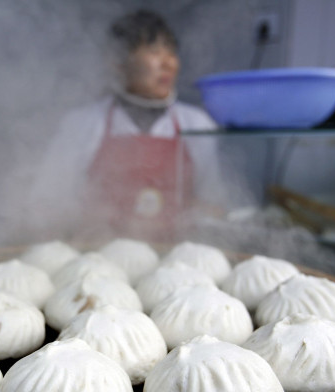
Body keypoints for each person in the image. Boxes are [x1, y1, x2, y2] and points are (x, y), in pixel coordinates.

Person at [38, 9, 219, 240]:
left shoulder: (197, 124)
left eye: (172, 52)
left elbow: (213, 205)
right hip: (96, 256)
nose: (168, 63)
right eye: (154, 51)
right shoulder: (83, 123)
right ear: (117, 61)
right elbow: (46, 201)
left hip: (178, 263)